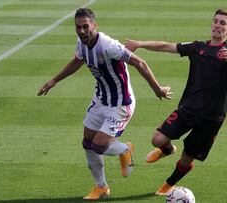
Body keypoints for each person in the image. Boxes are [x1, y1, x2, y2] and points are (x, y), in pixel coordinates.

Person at [37, 8, 172, 200]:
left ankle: (125, 149)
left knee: (99, 145)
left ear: (94, 25)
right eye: (78, 27)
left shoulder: (109, 46)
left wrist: (157, 89)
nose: (82, 31)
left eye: (86, 27)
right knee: (87, 143)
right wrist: (54, 81)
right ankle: (101, 187)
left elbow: (140, 63)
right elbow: (77, 61)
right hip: (101, 99)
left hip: (120, 103)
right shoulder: (82, 42)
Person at [125, 8, 227, 195]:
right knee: (157, 139)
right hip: (188, 108)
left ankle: (169, 183)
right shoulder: (197, 47)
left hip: (212, 117)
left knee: (187, 158)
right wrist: (140, 43)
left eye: (223, 23)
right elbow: (167, 46)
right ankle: (167, 150)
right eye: (216, 21)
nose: (218, 25)